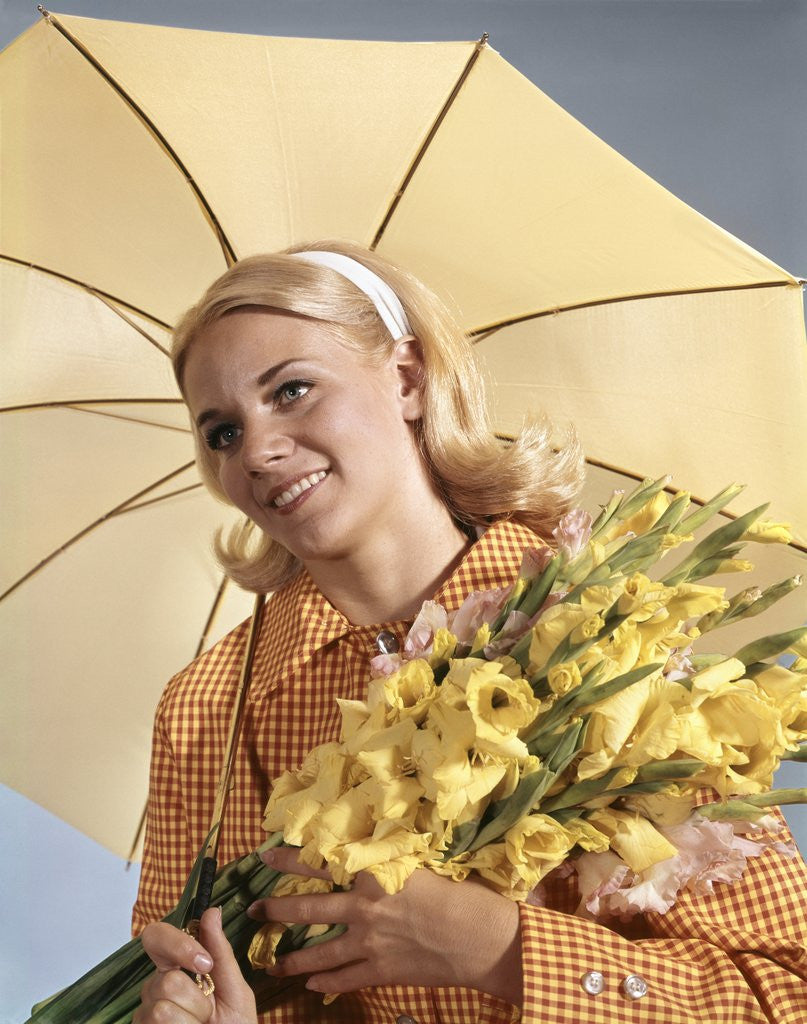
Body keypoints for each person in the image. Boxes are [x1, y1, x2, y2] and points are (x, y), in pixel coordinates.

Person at [132, 242, 807, 1024]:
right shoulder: (206, 711)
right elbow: (208, 984)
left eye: (291, 390)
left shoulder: (605, 637)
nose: (257, 450)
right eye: (220, 432)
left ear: (408, 378)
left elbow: (785, 1000)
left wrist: (504, 950)